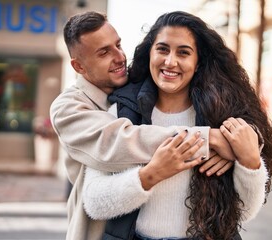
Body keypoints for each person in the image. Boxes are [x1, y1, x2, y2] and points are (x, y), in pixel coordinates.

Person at [81, 11, 272, 240]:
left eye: (183, 52)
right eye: (162, 49)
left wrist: (249, 161)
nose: (170, 61)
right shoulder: (121, 112)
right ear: (149, 54)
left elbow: (245, 212)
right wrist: (152, 173)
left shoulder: (223, 120)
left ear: (197, 63)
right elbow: (94, 202)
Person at [50, 11, 238, 240]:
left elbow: (244, 124)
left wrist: (239, 144)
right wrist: (209, 141)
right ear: (79, 67)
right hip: (97, 231)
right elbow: (120, 141)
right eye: (104, 52)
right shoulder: (67, 108)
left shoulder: (134, 84)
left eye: (118, 45)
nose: (119, 57)